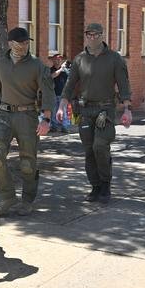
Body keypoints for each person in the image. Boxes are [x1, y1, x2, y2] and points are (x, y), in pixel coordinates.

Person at [56, 22, 132, 203]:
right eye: (89, 35)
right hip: (85, 109)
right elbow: (69, 85)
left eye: (96, 34)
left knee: (100, 146)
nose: (92, 38)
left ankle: (105, 184)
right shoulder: (80, 59)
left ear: (102, 36)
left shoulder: (114, 58)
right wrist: (61, 106)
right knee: (89, 150)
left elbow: (123, 84)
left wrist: (127, 110)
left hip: (105, 109)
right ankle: (95, 186)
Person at [0, 27, 55, 213]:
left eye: (27, 42)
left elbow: (48, 92)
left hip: (27, 117)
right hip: (3, 116)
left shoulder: (36, 65)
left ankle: (27, 200)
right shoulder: (1, 64)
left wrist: (46, 119)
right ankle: (8, 198)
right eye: (21, 42)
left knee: (27, 162)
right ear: (11, 44)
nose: (25, 46)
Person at [50, 54, 70, 132]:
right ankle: (54, 126)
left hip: (63, 94)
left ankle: (64, 127)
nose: (58, 61)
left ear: (61, 61)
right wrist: (61, 69)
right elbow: (52, 76)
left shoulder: (65, 71)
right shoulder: (50, 70)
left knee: (63, 111)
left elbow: (70, 81)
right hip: (53, 93)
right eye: (56, 59)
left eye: (59, 60)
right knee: (53, 110)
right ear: (53, 60)